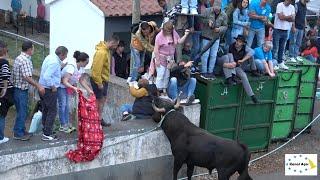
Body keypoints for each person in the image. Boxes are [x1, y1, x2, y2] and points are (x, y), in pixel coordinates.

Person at [12, 41, 45, 141]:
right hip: (20, 89)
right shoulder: (25, 60)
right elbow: (26, 77)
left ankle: (21, 130)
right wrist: (38, 85)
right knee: (22, 111)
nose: (34, 50)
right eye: (33, 48)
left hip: (17, 88)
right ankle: (18, 133)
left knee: (21, 111)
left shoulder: (20, 58)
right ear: (29, 49)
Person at [216, 35, 259, 103]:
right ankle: (231, 77)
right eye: (237, 41)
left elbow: (252, 52)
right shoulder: (230, 46)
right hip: (228, 66)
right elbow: (225, 59)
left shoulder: (245, 48)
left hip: (238, 66)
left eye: (239, 42)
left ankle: (252, 96)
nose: (237, 43)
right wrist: (231, 65)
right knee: (229, 56)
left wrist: (242, 60)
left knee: (244, 75)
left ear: (242, 43)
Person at [58, 51, 93, 133]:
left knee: (66, 106)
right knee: (62, 105)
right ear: (81, 61)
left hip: (67, 87)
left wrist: (89, 90)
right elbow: (64, 81)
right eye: (86, 62)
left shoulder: (81, 69)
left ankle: (66, 123)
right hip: (61, 86)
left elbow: (81, 80)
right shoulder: (71, 68)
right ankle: (63, 125)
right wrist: (74, 88)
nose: (87, 64)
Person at [39, 46, 68, 141]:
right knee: (52, 111)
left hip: (42, 87)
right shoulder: (55, 62)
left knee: (46, 110)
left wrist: (60, 67)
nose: (65, 57)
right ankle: (47, 134)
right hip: (49, 89)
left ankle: (46, 130)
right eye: (65, 55)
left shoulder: (50, 57)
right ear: (62, 54)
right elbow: (47, 76)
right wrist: (53, 86)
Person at [154, 20, 190, 95]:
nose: (168, 32)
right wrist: (157, 60)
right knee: (161, 74)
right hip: (161, 57)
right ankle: (157, 90)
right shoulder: (159, 36)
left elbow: (179, 41)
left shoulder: (174, 33)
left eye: (169, 31)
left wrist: (185, 35)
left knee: (167, 75)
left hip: (170, 58)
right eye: (166, 30)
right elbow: (156, 49)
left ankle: (164, 90)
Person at [91, 35, 120, 127]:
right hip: (99, 81)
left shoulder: (106, 51)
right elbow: (96, 70)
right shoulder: (101, 53)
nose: (116, 48)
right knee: (98, 101)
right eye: (116, 45)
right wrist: (99, 83)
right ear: (112, 43)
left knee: (102, 100)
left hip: (103, 80)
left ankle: (99, 119)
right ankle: (95, 120)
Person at [200, 0, 228, 79]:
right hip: (206, 36)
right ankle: (204, 71)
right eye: (215, 8)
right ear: (213, 6)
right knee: (205, 55)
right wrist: (207, 22)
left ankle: (210, 72)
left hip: (216, 37)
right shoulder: (207, 11)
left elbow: (225, 26)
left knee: (213, 55)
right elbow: (200, 19)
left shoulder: (224, 15)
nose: (216, 9)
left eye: (218, 8)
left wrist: (219, 29)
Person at [272, 0, 295, 70]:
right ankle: (274, 63)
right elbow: (280, 17)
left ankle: (280, 62)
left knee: (282, 48)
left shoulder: (292, 7)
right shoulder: (279, 5)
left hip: (286, 30)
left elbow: (293, 19)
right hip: (277, 29)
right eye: (290, 1)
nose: (290, 2)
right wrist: (289, 17)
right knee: (275, 48)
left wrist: (285, 17)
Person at [0, 40, 14, 144]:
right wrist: (5, 88)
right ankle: (0, 137)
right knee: (2, 115)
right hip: (2, 93)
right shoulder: (4, 62)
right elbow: (5, 75)